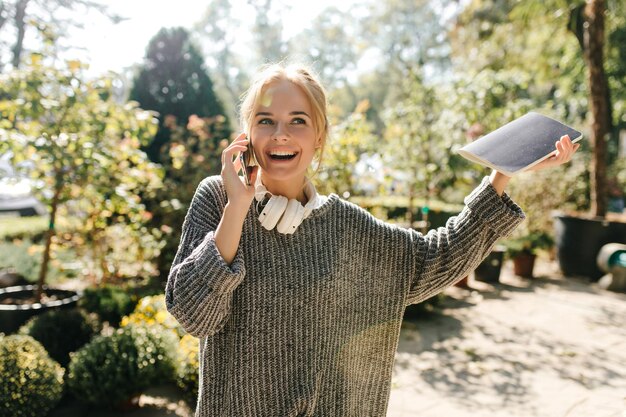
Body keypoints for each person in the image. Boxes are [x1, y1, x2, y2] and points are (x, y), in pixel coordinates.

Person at [165, 63, 579, 416]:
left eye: (298, 121)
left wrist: (503, 173)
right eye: (265, 120)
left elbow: (436, 257)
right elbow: (193, 316)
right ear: (246, 136)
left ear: (319, 137)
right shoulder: (218, 199)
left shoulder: (346, 226)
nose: (281, 134)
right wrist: (236, 209)